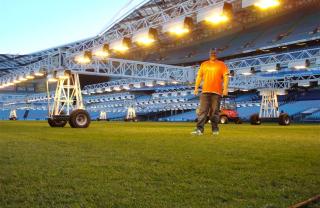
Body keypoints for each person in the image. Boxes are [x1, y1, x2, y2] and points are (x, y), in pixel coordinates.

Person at [191, 48, 229, 136]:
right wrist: (196, 88)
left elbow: (226, 77)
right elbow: (199, 77)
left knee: (214, 112)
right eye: (211, 53)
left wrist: (225, 88)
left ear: (217, 54)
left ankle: (215, 130)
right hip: (205, 91)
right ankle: (199, 130)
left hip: (217, 92)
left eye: (214, 53)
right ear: (209, 54)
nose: (213, 54)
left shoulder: (222, 65)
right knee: (202, 111)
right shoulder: (204, 64)